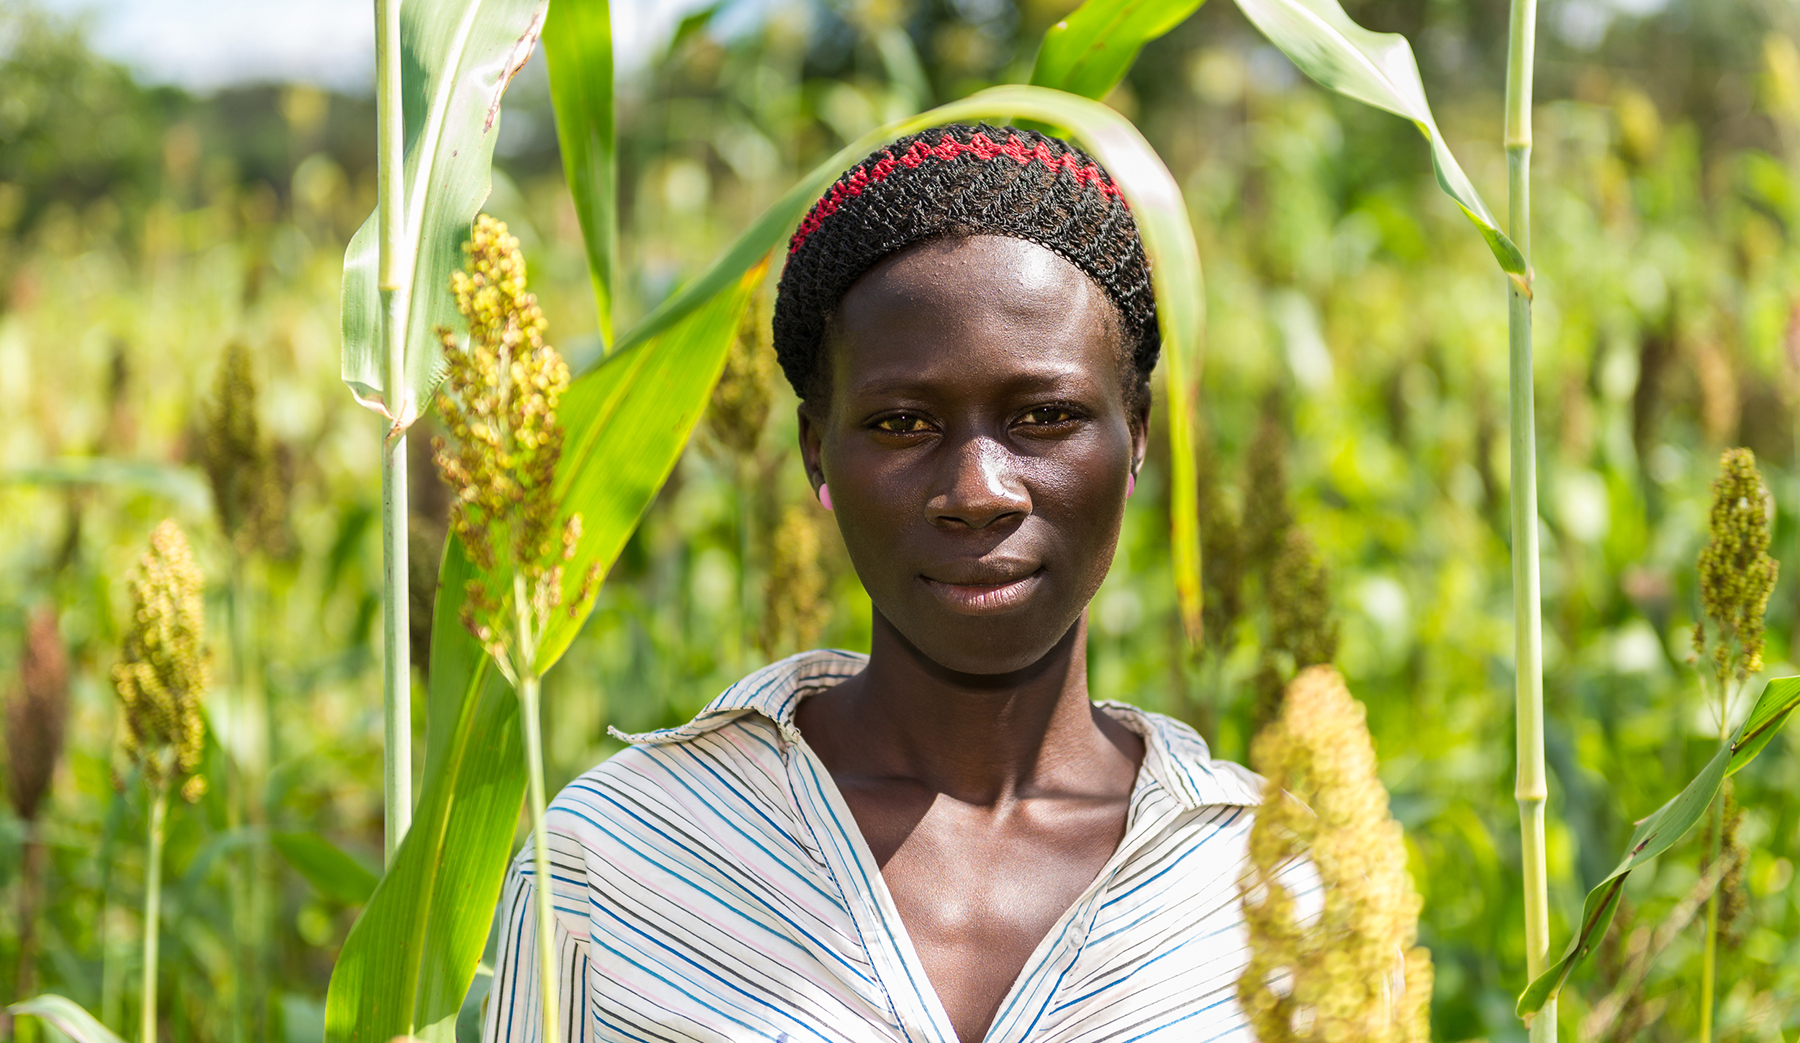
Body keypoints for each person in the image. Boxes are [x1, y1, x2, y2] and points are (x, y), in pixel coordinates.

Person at [483, 125, 1295, 1043]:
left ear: (1137, 435)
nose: (979, 492)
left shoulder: (1279, 881)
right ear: (814, 453)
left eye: (1045, 417)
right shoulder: (610, 862)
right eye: (904, 424)